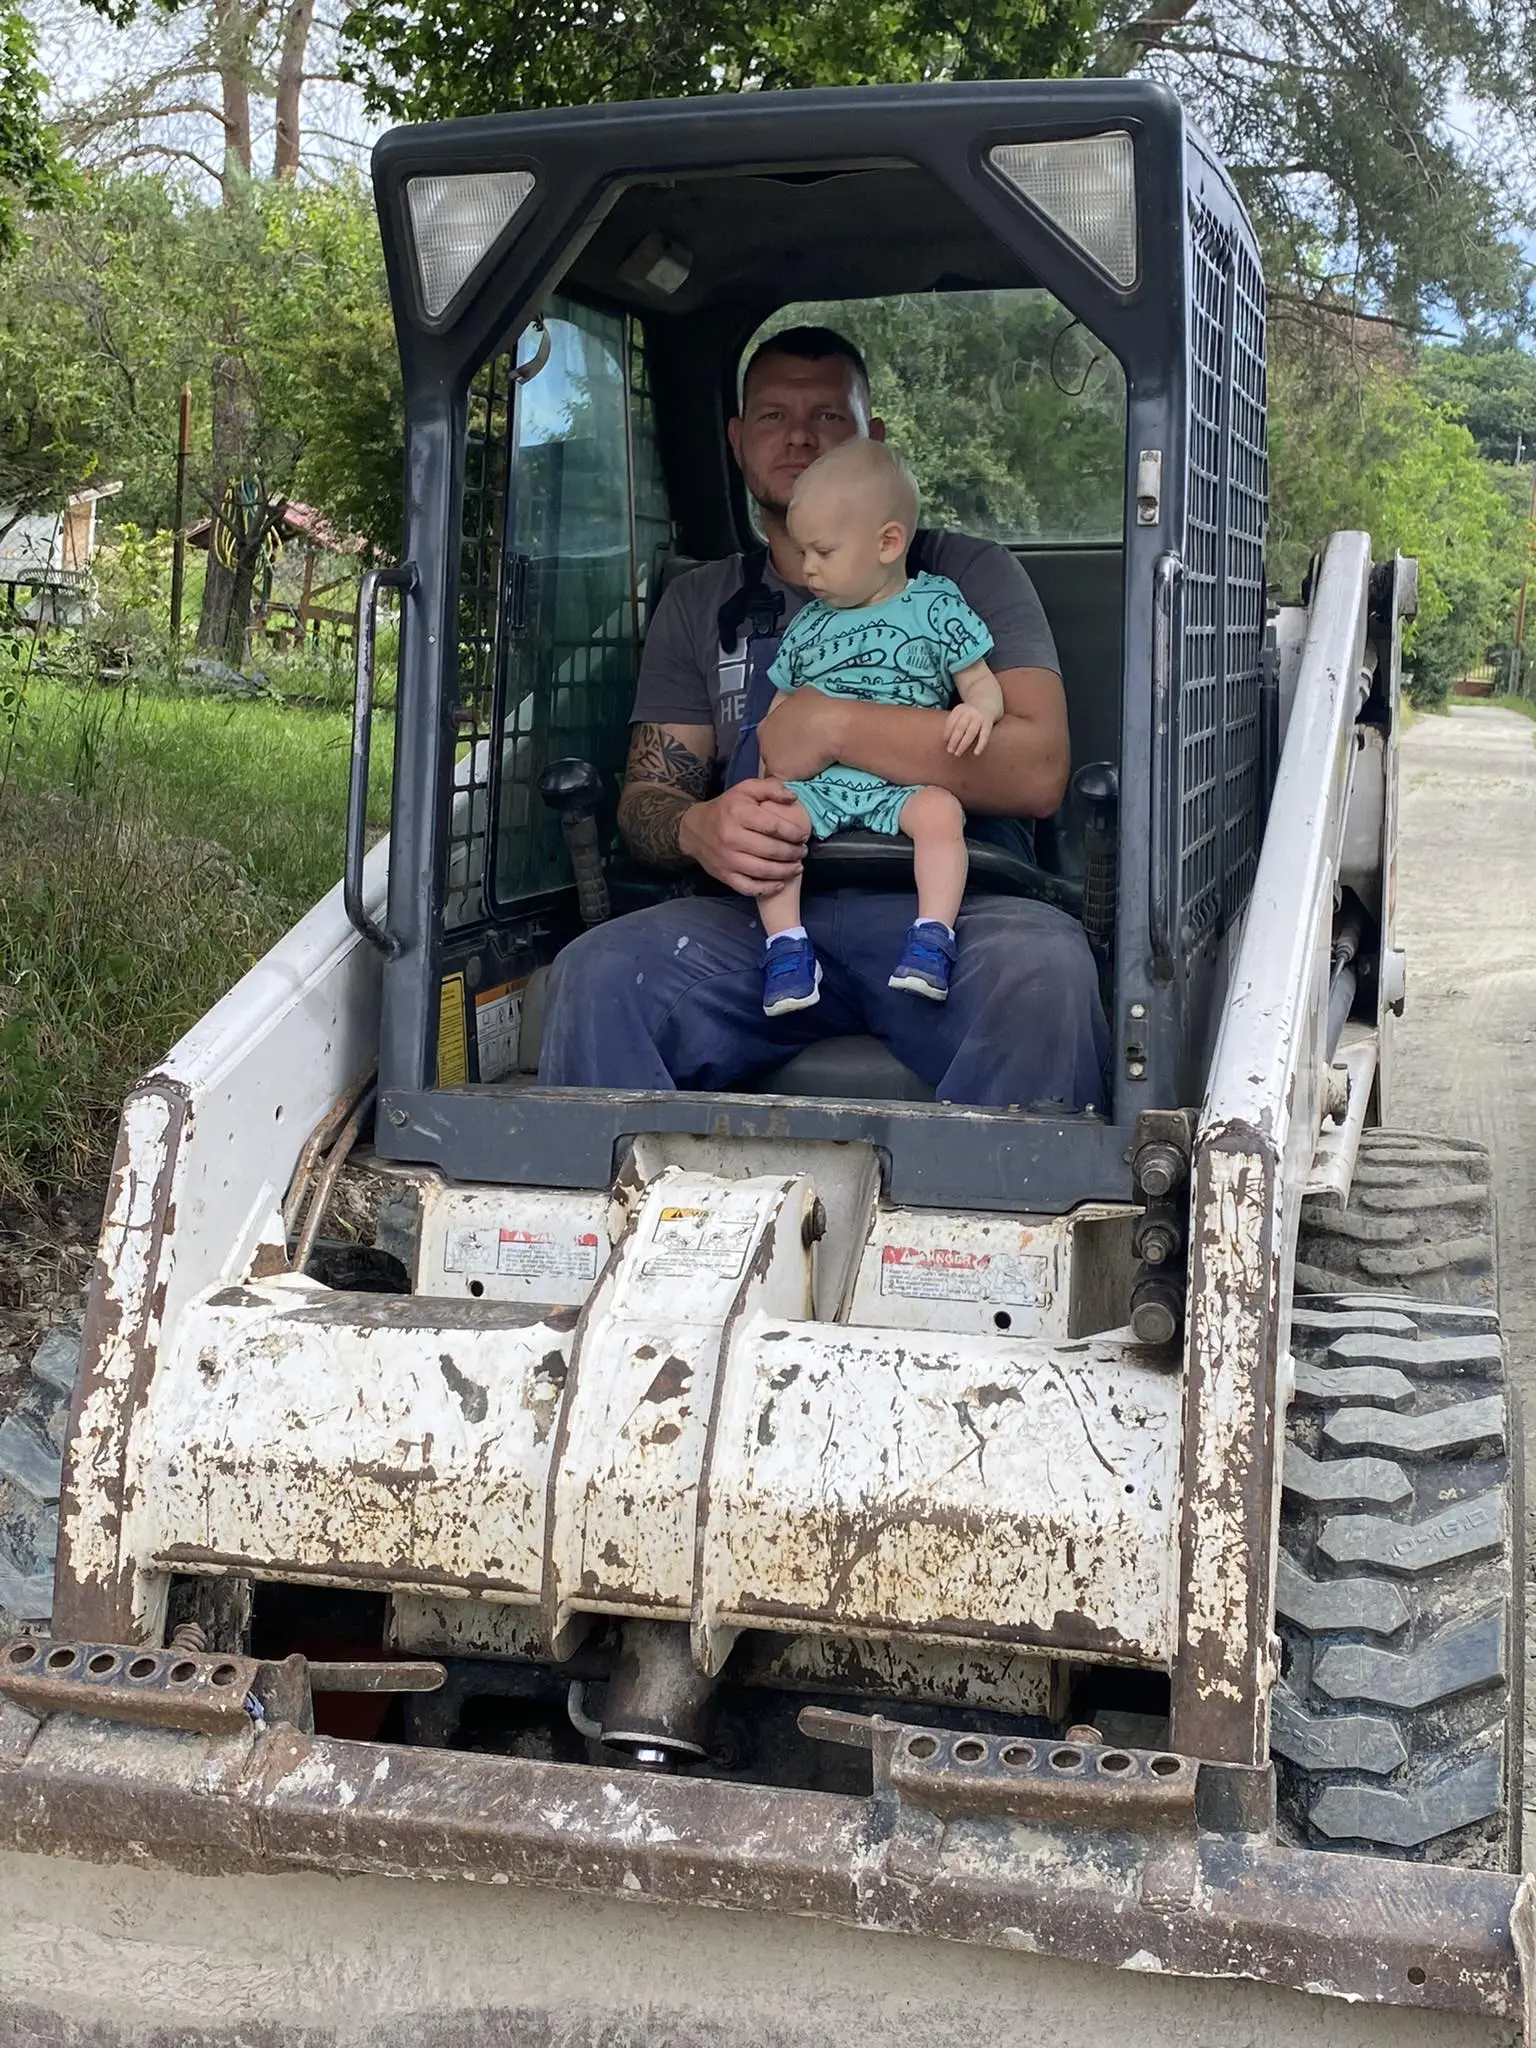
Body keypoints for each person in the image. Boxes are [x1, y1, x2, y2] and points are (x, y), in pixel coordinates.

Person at [537, 326, 1108, 1110]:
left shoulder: (966, 576)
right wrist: (702, 826)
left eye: (828, 418)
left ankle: (973, 1227)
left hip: (952, 908)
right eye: (772, 417)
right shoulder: (700, 603)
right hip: (754, 920)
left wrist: (834, 725)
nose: (800, 436)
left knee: (1047, 975)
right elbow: (645, 801)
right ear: (737, 442)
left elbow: (1039, 770)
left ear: (872, 438)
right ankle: (639, 1225)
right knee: (597, 974)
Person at [758, 439, 1004, 1013]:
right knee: (768, 827)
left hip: (904, 780)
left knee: (942, 813)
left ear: (888, 542)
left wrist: (978, 712)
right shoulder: (808, 626)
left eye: (822, 551)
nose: (806, 567)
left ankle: (932, 937)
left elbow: (982, 684)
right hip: (822, 784)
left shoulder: (937, 606)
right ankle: (786, 947)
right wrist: (766, 779)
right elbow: (778, 719)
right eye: (802, 551)